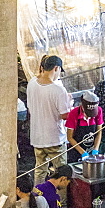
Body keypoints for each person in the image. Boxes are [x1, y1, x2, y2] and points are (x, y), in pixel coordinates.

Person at [28, 55, 71, 183]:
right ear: (56, 68)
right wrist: (69, 103)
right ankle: (60, 203)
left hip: (37, 138)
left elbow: (31, 108)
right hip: (55, 139)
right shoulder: (58, 90)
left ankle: (37, 199)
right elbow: (65, 115)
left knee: (40, 171)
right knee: (61, 174)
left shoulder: (31, 83)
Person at [65, 91, 103, 163]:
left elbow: (99, 132)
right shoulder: (74, 113)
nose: (89, 115)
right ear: (82, 105)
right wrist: (83, 152)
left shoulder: (99, 111)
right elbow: (70, 137)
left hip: (92, 148)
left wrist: (95, 149)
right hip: (76, 151)